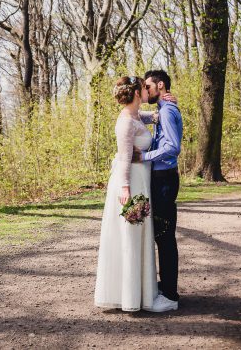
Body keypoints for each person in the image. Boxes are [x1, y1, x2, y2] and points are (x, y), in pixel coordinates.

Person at [94, 75, 157, 312]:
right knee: (131, 234)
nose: (147, 91)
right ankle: (130, 297)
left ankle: (142, 293)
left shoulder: (135, 116)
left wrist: (164, 108)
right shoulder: (125, 123)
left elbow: (148, 117)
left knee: (139, 234)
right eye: (144, 88)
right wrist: (125, 189)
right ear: (137, 92)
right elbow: (123, 158)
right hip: (130, 184)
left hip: (142, 180)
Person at [133, 69, 182, 312]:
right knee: (160, 235)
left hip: (165, 179)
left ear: (160, 85)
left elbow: (173, 147)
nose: (147, 91)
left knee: (165, 237)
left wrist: (144, 156)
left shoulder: (168, 110)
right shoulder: (162, 110)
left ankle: (171, 296)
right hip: (159, 178)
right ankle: (166, 287)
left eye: (149, 87)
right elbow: (135, 116)